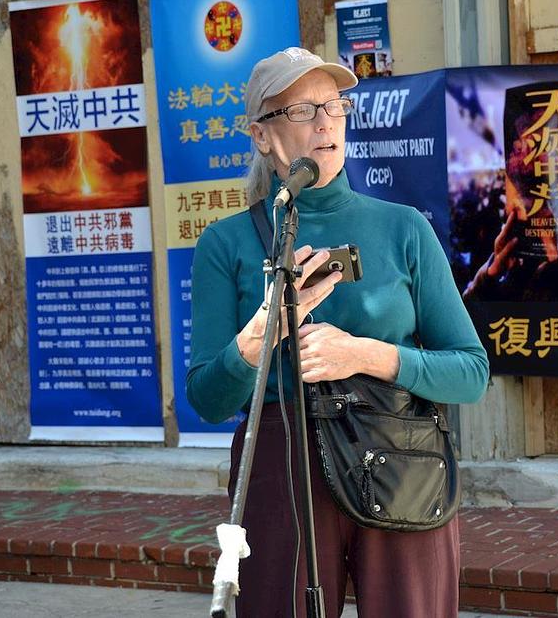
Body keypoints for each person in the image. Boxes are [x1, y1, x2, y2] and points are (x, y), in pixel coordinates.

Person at [186, 47, 489, 618]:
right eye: (303, 110)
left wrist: (364, 354)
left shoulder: (404, 228)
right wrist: (260, 337)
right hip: (283, 459)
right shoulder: (225, 244)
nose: (326, 121)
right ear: (261, 135)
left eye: (334, 105)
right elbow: (205, 398)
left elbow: (471, 373)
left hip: (400, 454)